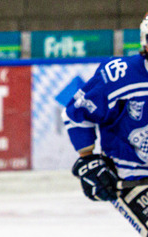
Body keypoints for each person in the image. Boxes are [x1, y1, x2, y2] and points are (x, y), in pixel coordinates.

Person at [63, 14, 148, 202]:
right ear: (145, 42)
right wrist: (87, 159)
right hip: (133, 181)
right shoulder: (120, 75)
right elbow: (77, 113)